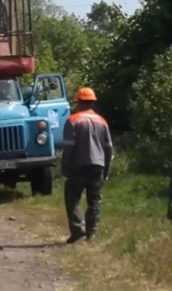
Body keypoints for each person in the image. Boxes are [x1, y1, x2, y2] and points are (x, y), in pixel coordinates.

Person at [61, 87, 113, 244]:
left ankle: (77, 231)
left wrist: (64, 166)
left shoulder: (73, 120)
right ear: (92, 102)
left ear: (78, 102)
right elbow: (109, 148)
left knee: (72, 198)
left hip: (78, 166)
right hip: (98, 166)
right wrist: (106, 169)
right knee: (94, 200)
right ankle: (92, 233)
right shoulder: (102, 121)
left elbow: (68, 147)